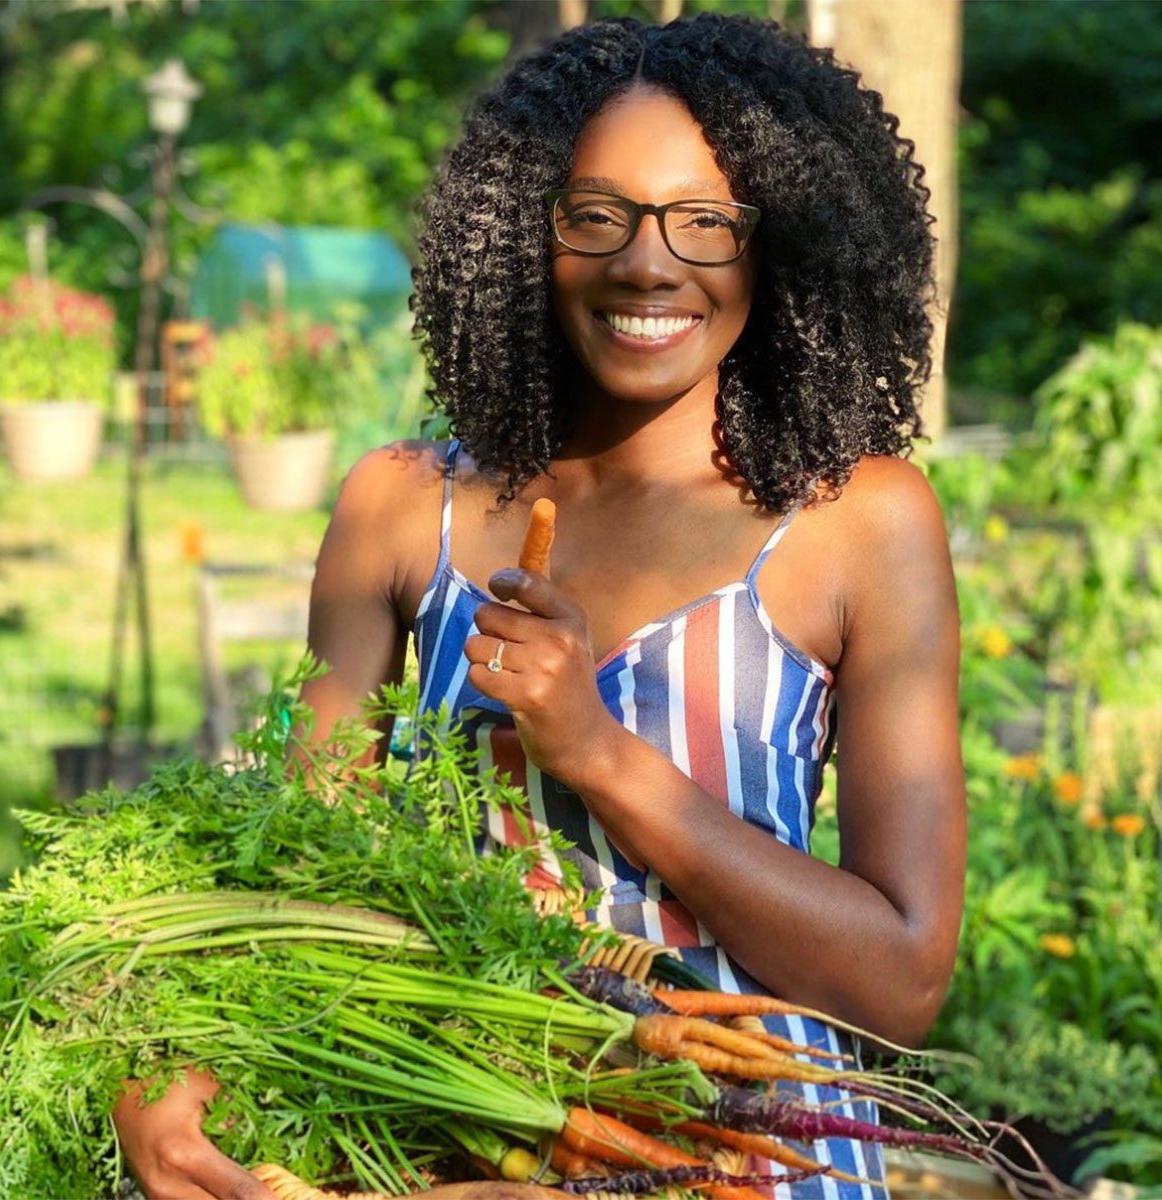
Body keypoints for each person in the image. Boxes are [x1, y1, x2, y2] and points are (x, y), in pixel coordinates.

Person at [114, 13, 965, 1200]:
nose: (648, 264)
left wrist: (597, 753)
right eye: (596, 214)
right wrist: (157, 1080)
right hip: (460, 1158)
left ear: (778, 245)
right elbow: (298, 877)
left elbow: (903, 983)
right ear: (526, 232)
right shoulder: (404, 509)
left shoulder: (858, 523)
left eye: (706, 220)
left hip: (762, 1159)